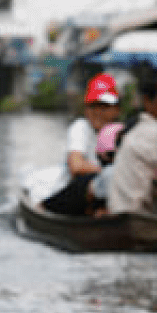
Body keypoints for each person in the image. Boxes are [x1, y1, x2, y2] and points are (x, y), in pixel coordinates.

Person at [40, 73, 120, 216]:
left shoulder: (119, 132)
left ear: (116, 109)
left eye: (104, 107)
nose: (98, 112)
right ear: (86, 109)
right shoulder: (81, 128)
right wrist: (117, 173)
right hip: (73, 193)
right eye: (93, 106)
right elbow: (76, 166)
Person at [106, 69, 157, 215]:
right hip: (135, 215)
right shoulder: (154, 133)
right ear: (147, 101)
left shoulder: (142, 128)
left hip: (127, 213)